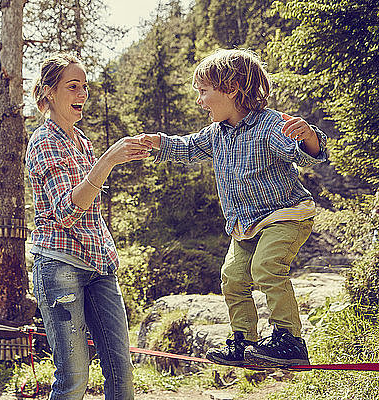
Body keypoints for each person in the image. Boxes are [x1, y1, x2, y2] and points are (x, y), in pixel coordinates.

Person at [139, 49, 327, 368]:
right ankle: (244, 341)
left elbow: (304, 156)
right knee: (233, 277)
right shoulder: (217, 134)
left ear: (232, 87)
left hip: (285, 215)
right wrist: (157, 141)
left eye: (203, 92)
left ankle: (290, 340)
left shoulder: (268, 126)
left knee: (266, 267)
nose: (199, 100)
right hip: (244, 226)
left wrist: (309, 138)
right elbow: (186, 147)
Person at [26, 53, 150, 399]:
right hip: (60, 267)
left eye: (85, 87)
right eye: (73, 86)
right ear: (49, 92)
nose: (82, 94)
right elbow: (67, 211)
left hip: (99, 267)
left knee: (122, 376)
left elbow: (88, 206)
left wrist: (105, 159)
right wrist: (108, 160)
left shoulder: (81, 141)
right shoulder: (43, 142)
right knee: (75, 378)